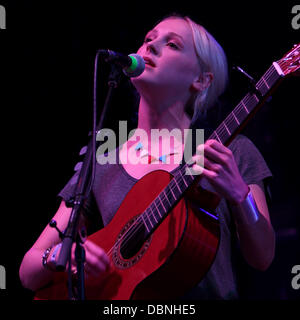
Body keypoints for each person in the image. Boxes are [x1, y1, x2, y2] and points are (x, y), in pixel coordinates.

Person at [19, 14, 275, 300]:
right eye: (148, 38)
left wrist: (242, 197)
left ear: (201, 80)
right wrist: (59, 258)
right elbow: (28, 271)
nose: (150, 45)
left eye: (173, 45)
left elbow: (263, 256)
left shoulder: (229, 150)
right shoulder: (103, 161)